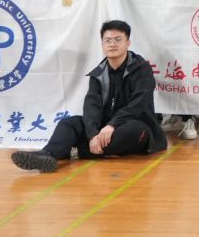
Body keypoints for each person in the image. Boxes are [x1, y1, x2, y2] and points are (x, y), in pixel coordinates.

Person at [12, 20, 166, 170]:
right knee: (68, 123)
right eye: (108, 40)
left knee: (131, 131)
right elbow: (92, 106)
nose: (112, 44)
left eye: (118, 39)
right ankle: (47, 154)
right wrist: (92, 135)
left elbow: (140, 103)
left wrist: (112, 125)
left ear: (128, 43)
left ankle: (74, 152)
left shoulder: (142, 68)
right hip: (105, 127)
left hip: (137, 125)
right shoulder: (98, 73)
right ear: (102, 44)